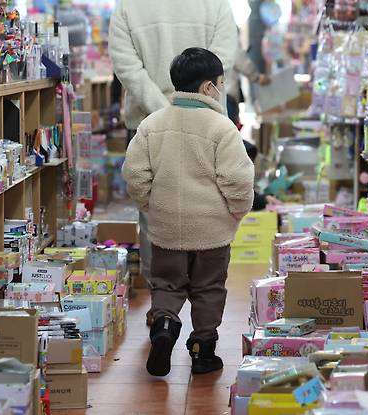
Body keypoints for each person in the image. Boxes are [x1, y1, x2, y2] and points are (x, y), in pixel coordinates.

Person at [122, 48, 254, 377]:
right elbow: (238, 182)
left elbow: (135, 175)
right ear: (208, 87)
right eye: (221, 83)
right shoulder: (222, 129)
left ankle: (164, 325)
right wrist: (235, 214)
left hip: (166, 228)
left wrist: (151, 206)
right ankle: (202, 351)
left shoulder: (151, 125)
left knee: (166, 285)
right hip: (212, 231)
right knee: (208, 288)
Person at [109, 0, 238, 325]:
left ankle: (163, 311)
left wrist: (160, 110)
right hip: (209, 120)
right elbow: (223, 55)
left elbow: (125, 65)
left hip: (147, 123)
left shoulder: (128, 7)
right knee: (212, 199)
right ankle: (205, 322)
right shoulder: (216, 5)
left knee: (155, 215)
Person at [226, 38, 271, 127]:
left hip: (211, 97)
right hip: (227, 96)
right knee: (228, 132)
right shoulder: (228, 42)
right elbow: (242, 61)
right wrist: (257, 77)